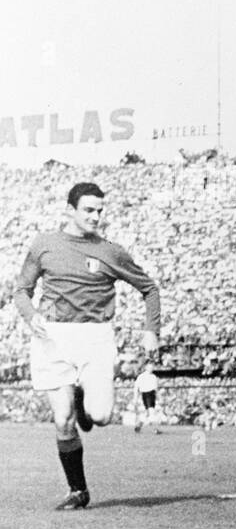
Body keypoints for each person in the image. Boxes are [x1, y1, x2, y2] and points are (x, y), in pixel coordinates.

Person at [13, 182, 161, 510]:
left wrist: (152, 330)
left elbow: (149, 288)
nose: (96, 216)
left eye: (100, 210)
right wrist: (30, 314)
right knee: (63, 419)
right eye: (89, 210)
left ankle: (83, 397)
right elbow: (21, 289)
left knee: (102, 416)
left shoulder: (111, 251)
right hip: (53, 337)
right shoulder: (44, 245)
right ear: (70, 210)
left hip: (95, 337)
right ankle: (78, 490)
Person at [133, 360, 162, 434]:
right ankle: (156, 429)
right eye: (150, 366)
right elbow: (136, 387)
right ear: (146, 367)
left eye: (152, 366)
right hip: (146, 395)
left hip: (152, 395)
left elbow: (156, 389)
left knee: (147, 413)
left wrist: (159, 397)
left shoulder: (153, 377)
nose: (151, 368)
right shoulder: (141, 376)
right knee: (151, 412)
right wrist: (135, 398)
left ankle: (138, 426)